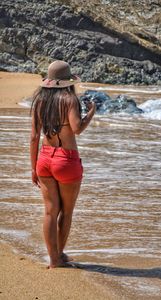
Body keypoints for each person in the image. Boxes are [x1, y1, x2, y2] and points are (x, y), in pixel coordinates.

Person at [30, 60, 96, 268]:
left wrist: (33, 168)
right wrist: (90, 113)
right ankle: (59, 256)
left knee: (50, 211)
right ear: (68, 81)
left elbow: (33, 137)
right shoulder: (70, 99)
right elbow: (76, 128)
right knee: (66, 212)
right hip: (66, 160)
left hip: (44, 159)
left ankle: (54, 259)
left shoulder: (39, 100)